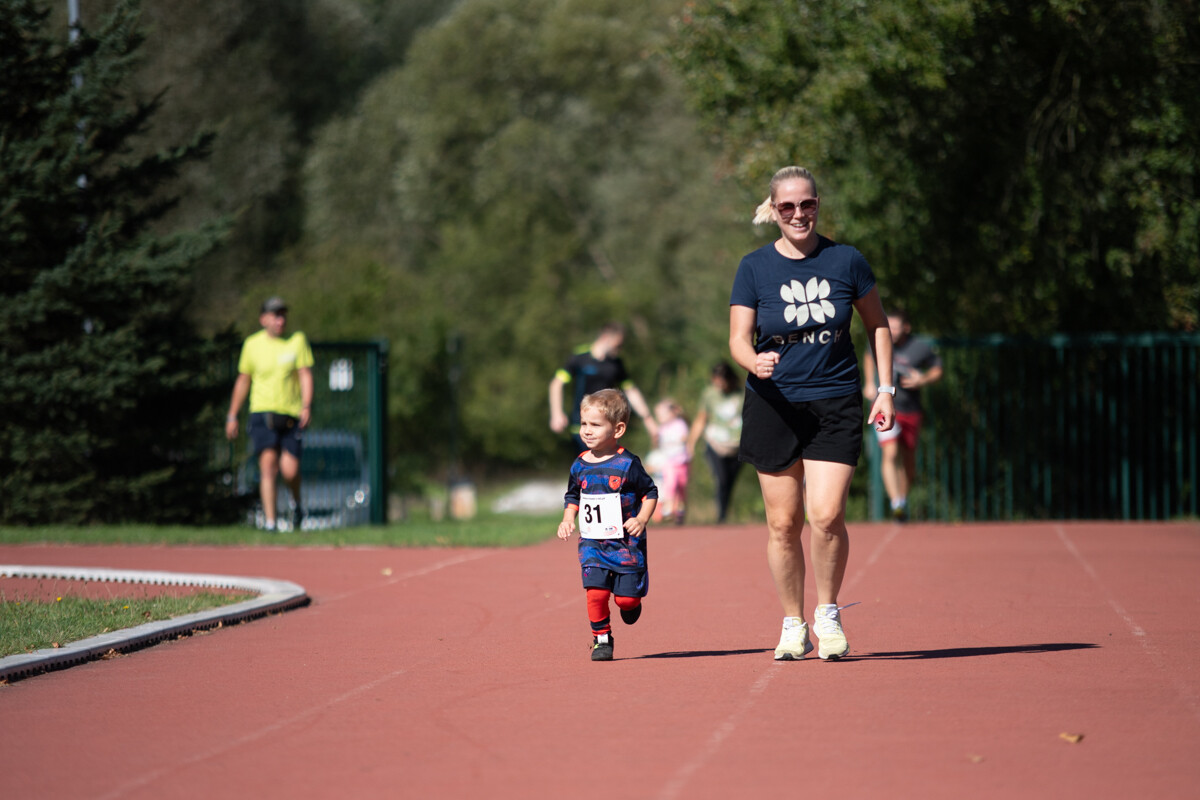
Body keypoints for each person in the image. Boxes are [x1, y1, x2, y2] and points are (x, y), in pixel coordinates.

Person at [729, 165, 895, 661]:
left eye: (807, 204)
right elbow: (738, 339)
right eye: (787, 206)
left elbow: (878, 325)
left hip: (835, 400)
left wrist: (885, 390)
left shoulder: (847, 260)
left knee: (826, 515)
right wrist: (752, 361)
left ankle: (827, 613)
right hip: (774, 405)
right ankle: (792, 623)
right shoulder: (754, 267)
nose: (798, 214)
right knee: (783, 524)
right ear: (773, 210)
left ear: (818, 205)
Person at [557, 389, 659, 661]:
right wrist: (568, 519)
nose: (587, 430)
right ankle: (601, 638)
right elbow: (573, 495)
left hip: (626, 544)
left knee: (626, 600)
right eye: (583, 423)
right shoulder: (579, 464)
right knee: (595, 592)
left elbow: (650, 492)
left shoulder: (628, 464)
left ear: (618, 429)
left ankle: (632, 601)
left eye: (595, 424)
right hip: (592, 543)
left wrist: (641, 519)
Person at [225, 296, 314, 532]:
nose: (280, 320)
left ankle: (297, 505)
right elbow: (244, 380)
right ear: (263, 319)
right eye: (275, 315)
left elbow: (305, 375)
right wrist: (232, 414)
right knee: (268, 467)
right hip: (262, 413)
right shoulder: (252, 345)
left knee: (290, 470)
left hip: (290, 414)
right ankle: (271, 522)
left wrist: (306, 405)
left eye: (283, 315)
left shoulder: (296, 341)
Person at [862, 308, 943, 522]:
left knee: (909, 462)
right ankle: (895, 502)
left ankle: (903, 499)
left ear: (906, 327)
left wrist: (922, 379)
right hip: (882, 407)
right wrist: (869, 383)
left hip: (911, 410)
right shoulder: (880, 340)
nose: (892, 331)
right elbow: (869, 357)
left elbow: (937, 370)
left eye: (896, 327)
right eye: (889, 326)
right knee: (890, 453)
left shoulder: (920, 347)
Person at [549, 322, 658, 452]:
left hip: (607, 427)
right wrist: (557, 413)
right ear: (605, 338)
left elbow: (630, 390)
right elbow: (557, 383)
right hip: (581, 425)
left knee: (607, 463)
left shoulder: (616, 363)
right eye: (618, 345)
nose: (620, 350)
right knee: (587, 462)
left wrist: (648, 419)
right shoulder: (580, 357)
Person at [686, 361, 745, 523]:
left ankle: (724, 513)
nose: (719, 384)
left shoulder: (741, 394)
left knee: (730, 482)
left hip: (737, 446)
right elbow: (701, 418)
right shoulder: (709, 394)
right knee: (721, 479)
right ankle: (720, 515)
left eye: (722, 380)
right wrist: (691, 442)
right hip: (714, 444)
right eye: (715, 380)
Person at [650, 398, 690, 524]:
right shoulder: (662, 428)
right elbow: (657, 441)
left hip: (682, 462)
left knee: (681, 487)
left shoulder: (680, 424)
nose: (660, 417)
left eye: (662, 414)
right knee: (670, 484)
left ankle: (680, 510)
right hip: (669, 462)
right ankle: (668, 508)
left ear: (672, 412)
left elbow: (684, 438)